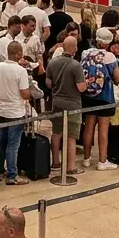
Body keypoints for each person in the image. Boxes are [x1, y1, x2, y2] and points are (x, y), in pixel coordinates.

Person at [0, 41, 32, 185]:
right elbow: (25, 94)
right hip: (16, 111)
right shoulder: (20, 71)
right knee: (13, 145)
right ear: (19, 54)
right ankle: (12, 175)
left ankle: (0, 171)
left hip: (1, 110)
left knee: (1, 142)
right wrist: (31, 90)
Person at [80, 28, 119, 171]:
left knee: (89, 127)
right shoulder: (110, 57)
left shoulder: (85, 53)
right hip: (105, 96)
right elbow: (117, 78)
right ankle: (102, 161)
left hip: (88, 95)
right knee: (103, 130)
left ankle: (86, 158)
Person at [45, 35, 86, 173]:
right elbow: (81, 88)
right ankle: (71, 167)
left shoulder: (52, 62)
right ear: (75, 48)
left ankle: (55, 163)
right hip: (72, 104)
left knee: (56, 132)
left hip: (57, 102)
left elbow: (49, 83)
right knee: (71, 136)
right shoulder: (76, 65)